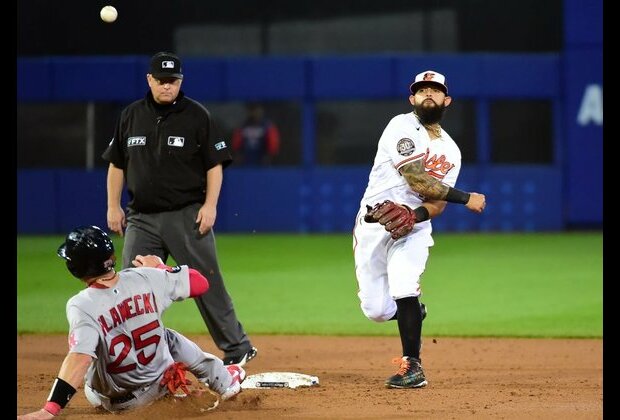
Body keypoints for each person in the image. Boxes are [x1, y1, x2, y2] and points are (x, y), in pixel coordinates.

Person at [102, 51, 257, 366]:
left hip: (186, 216)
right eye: (161, 80)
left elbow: (215, 165)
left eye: (172, 81)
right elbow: (117, 164)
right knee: (130, 287)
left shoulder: (196, 115)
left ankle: (237, 347)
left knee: (206, 282)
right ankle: (132, 356)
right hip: (141, 218)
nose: (167, 86)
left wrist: (210, 206)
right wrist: (112, 206)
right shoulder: (130, 115)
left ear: (180, 81)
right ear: (150, 80)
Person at [17, 226, 246, 419]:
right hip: (153, 390)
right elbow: (201, 284)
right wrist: (160, 268)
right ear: (111, 258)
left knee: (95, 349)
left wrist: (50, 409)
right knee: (168, 338)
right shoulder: (146, 277)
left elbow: (80, 358)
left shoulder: (81, 305)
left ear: (75, 267)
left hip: (106, 399)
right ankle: (225, 383)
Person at [352, 70, 486, 389]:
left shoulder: (451, 151)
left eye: (435, 90)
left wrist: (413, 215)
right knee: (376, 310)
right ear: (412, 99)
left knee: (403, 285)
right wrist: (466, 198)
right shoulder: (401, 126)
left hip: (413, 228)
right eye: (422, 90)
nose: (428, 94)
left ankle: (412, 367)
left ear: (446, 100)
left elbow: (436, 204)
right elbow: (417, 179)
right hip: (374, 223)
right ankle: (414, 313)